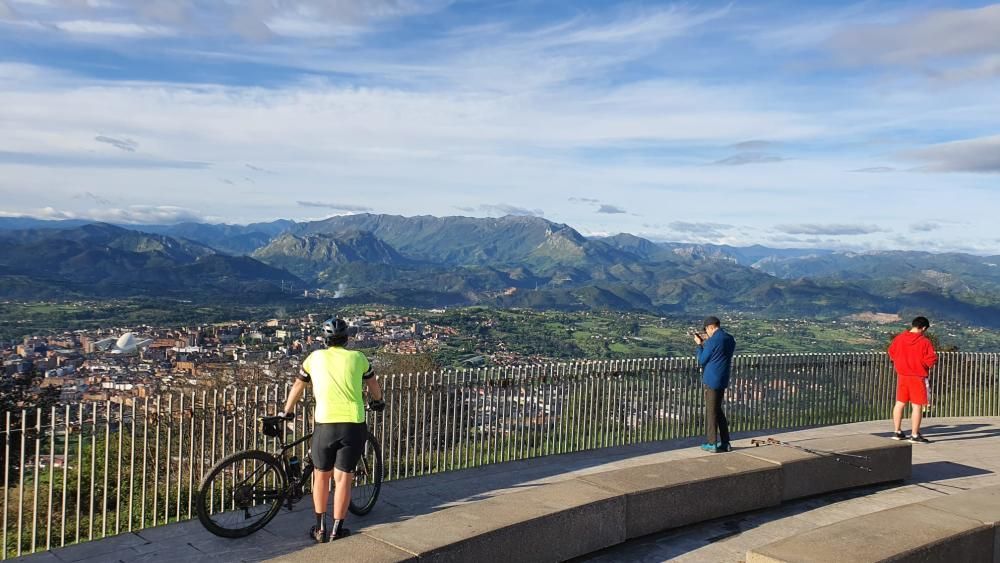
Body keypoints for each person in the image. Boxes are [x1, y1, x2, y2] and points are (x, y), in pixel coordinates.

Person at [279, 317, 385, 543]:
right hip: (353, 425)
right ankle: (337, 529)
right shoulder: (358, 357)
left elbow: (299, 385)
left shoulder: (314, 358)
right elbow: (373, 385)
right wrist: (378, 401)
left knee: (321, 477)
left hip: (325, 424)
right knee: (344, 478)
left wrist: (287, 411)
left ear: (325, 339)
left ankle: (320, 529)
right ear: (347, 338)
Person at [888, 316, 937, 443]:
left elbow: (891, 352)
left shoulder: (899, 338)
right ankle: (914, 434)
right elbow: (931, 359)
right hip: (917, 376)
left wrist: (900, 362)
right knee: (917, 406)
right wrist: (923, 365)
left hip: (902, 376)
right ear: (924, 328)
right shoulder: (924, 342)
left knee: (900, 403)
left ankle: (897, 431)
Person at [694, 316, 736, 453]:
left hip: (711, 380)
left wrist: (699, 345)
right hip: (723, 378)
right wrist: (709, 342)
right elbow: (719, 353)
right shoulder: (730, 339)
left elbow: (702, 360)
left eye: (706, 330)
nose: (707, 333)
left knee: (711, 412)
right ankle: (725, 442)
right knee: (718, 410)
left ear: (711, 327)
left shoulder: (712, 341)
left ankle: (712, 443)